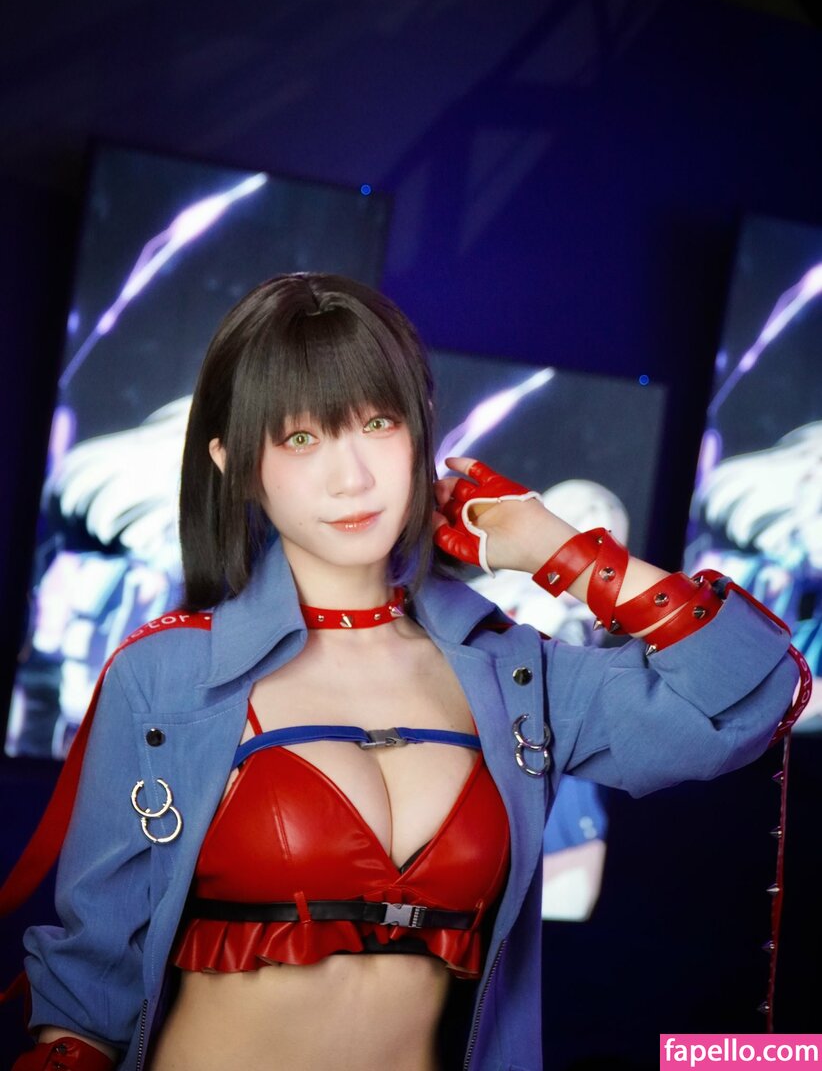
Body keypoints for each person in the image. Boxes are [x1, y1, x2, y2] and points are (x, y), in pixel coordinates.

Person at [7, 273, 800, 1070]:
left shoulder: (516, 674)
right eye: (301, 439)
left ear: (420, 434)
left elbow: (753, 699)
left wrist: (558, 551)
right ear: (235, 462)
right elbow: (90, 990)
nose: (352, 478)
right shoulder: (167, 675)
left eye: (378, 423)